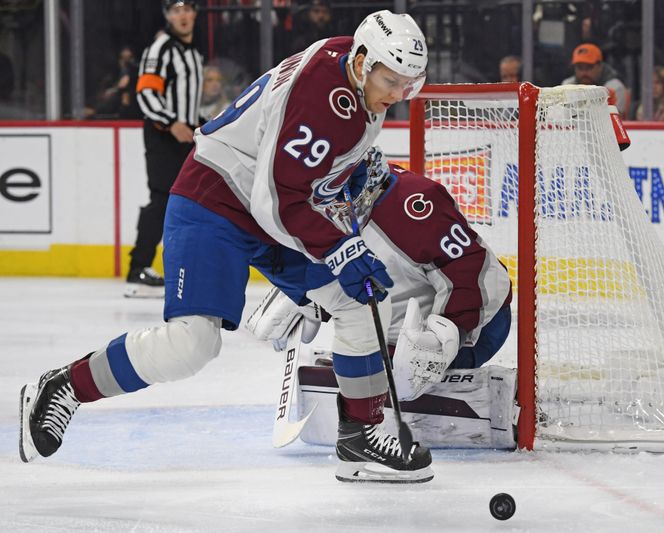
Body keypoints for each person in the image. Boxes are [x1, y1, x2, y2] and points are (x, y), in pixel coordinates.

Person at [18, 11, 431, 484]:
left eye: (409, 84)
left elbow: (294, 175)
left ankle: (359, 438)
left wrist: (347, 171)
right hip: (215, 201)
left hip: (269, 207)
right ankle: (65, 386)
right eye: (392, 80)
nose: (399, 94)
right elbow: (277, 200)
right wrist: (341, 249)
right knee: (191, 345)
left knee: (357, 304)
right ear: (361, 63)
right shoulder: (327, 100)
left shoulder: (350, 59)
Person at [248, 156, 513, 402]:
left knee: (371, 373)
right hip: (396, 325)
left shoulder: (414, 203)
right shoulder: (330, 206)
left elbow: (475, 273)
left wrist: (442, 336)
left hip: (477, 325)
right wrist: (309, 293)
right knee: (358, 361)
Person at [126, 0, 204, 298]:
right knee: (161, 199)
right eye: (175, 11)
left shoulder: (194, 53)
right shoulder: (161, 48)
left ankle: (184, 268)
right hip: (163, 135)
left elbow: (188, 101)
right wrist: (172, 122)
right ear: (167, 16)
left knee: (193, 202)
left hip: (186, 134)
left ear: (194, 14)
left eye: (186, 9)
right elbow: (146, 94)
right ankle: (138, 270)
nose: (182, 16)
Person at [562, 43, 630, 117]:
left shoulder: (615, 88)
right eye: (580, 67)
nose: (584, 72)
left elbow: (617, 121)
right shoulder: (567, 86)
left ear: (600, 66)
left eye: (589, 67)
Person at [88, 46, 142, 120]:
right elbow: (109, 84)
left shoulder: (135, 71)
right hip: (112, 96)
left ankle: (96, 111)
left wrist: (129, 78)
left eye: (129, 58)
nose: (125, 62)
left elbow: (124, 86)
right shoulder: (114, 71)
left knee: (124, 97)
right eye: (122, 59)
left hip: (128, 100)